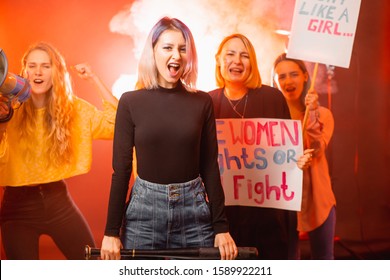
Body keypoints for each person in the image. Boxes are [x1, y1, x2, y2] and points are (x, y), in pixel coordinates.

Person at [100, 17, 237, 260]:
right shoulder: (130, 102)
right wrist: (111, 232)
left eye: (182, 49)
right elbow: (120, 170)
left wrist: (221, 227)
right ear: (153, 51)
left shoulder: (202, 101)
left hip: (194, 211)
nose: (176, 55)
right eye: (168, 47)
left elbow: (209, 166)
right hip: (144, 213)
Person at [0, 42, 118, 260]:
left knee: (90, 265)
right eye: (32, 65)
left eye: (45, 66)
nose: (38, 71)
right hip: (17, 209)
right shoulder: (9, 109)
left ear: (56, 71)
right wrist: (2, 122)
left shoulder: (73, 109)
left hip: (58, 202)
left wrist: (94, 79)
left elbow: (117, 125)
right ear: (24, 70)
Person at [208, 33, 312, 260]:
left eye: (244, 55)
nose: (237, 61)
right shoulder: (207, 102)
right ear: (218, 60)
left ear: (252, 62)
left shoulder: (272, 98)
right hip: (224, 219)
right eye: (230, 54)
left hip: (268, 220)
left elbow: (285, 155)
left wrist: (298, 161)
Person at [272, 52, 336, 259]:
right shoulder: (272, 119)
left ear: (305, 77)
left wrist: (313, 113)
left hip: (318, 200)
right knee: (288, 260)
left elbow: (318, 149)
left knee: (324, 260)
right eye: (282, 76)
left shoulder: (323, 114)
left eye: (293, 74)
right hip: (284, 202)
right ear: (276, 81)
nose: (288, 81)